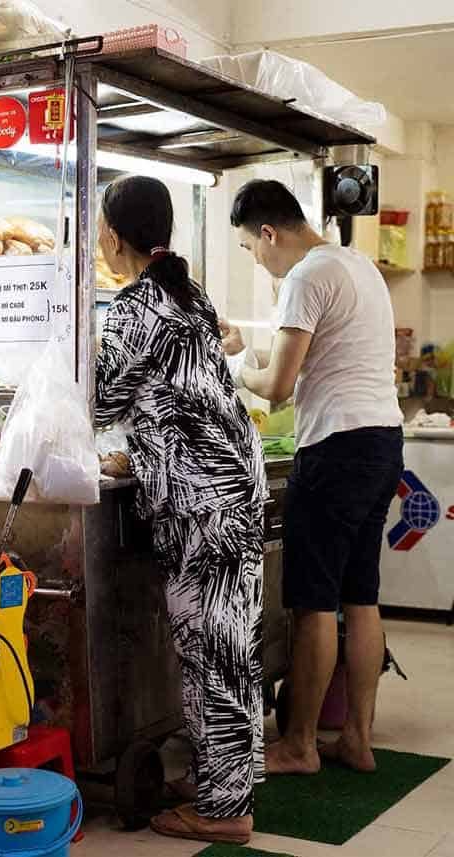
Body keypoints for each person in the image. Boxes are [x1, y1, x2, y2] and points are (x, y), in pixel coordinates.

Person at [94, 176, 266, 844]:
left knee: (211, 651)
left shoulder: (137, 304)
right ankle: (226, 784)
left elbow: (102, 399)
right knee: (231, 646)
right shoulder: (186, 294)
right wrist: (139, 458)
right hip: (229, 487)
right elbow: (180, 401)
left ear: (112, 233)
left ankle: (225, 813)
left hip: (203, 503)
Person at [223, 179, 403, 776]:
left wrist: (236, 364)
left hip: (337, 450)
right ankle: (356, 738)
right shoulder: (358, 266)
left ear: (269, 233)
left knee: (314, 603)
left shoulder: (305, 276)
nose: (258, 260)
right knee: (361, 595)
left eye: (251, 249)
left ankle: (299, 745)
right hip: (382, 443)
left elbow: (277, 387)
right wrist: (254, 355)